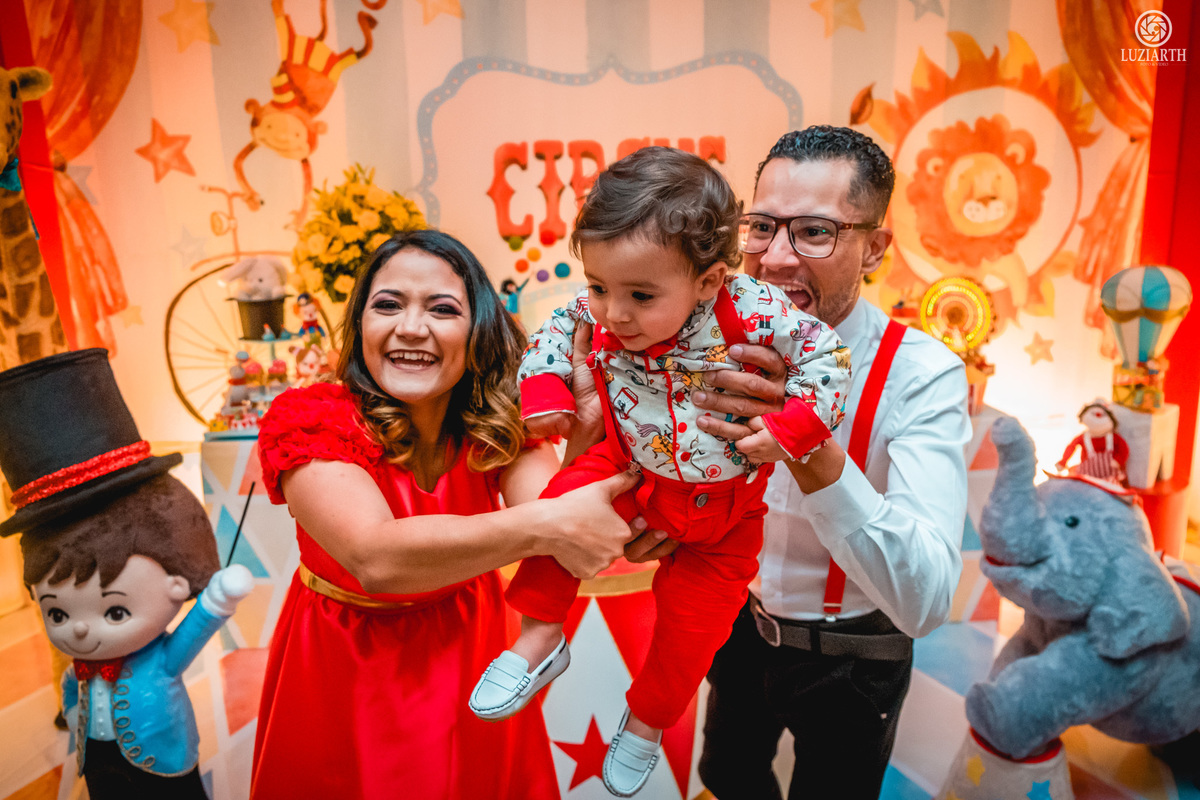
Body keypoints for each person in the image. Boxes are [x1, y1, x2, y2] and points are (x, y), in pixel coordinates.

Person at [468, 147, 851, 797]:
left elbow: (829, 359)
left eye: (640, 296)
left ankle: (646, 722)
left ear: (708, 280)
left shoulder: (754, 309)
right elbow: (552, 336)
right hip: (627, 468)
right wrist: (549, 394)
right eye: (598, 287)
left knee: (692, 631)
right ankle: (539, 637)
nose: (613, 313)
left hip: (727, 513)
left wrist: (786, 431)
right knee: (558, 510)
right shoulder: (598, 310)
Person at [250, 229, 641, 799]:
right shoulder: (310, 420)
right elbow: (376, 559)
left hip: (470, 648)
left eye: (442, 309)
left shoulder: (494, 421)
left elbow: (562, 519)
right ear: (360, 325)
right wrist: (549, 527)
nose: (411, 327)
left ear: (477, 331)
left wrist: (583, 432)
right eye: (388, 305)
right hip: (345, 668)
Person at [692, 126, 971, 799]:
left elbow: (928, 600)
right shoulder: (710, 340)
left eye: (814, 232)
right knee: (725, 773)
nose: (774, 259)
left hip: (853, 656)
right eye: (762, 227)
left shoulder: (920, 374)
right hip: (741, 626)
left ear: (874, 247)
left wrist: (809, 445)